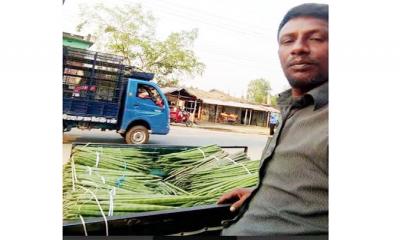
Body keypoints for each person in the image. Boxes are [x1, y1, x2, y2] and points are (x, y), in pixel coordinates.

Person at [217, 3, 328, 236]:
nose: (298, 48)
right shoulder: (292, 108)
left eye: (316, 38)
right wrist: (263, 194)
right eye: (287, 41)